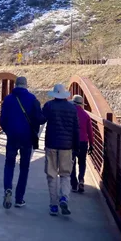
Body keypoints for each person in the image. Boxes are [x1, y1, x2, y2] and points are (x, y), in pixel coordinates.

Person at [0, 76, 45, 209]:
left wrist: (9, 132)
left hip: (12, 137)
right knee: (24, 168)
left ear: (15, 85)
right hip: (27, 138)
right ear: (26, 85)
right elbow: (39, 119)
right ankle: (19, 199)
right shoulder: (32, 99)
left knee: (9, 164)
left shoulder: (8, 99)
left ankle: (8, 189)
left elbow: (2, 120)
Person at [42, 84, 79, 216]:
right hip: (67, 146)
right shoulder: (72, 108)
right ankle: (64, 197)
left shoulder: (49, 106)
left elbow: (41, 120)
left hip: (51, 144)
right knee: (65, 175)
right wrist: (76, 147)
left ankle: (53, 206)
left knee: (51, 175)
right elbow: (76, 129)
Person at [70, 95, 94, 193]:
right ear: (81, 104)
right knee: (82, 162)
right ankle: (81, 180)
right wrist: (91, 144)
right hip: (83, 141)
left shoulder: (70, 113)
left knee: (72, 162)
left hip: (72, 142)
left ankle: (74, 185)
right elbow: (90, 131)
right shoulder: (86, 115)